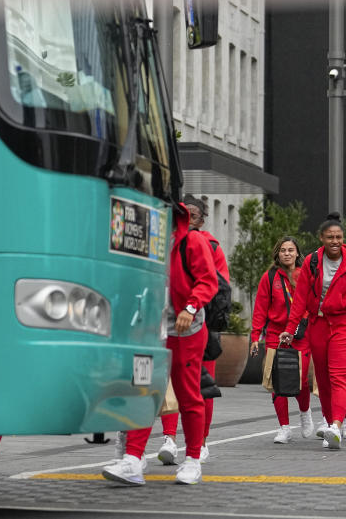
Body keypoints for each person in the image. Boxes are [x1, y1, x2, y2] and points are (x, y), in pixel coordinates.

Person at [102, 202, 217, 486]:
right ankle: (132, 459)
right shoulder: (139, 245)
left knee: (188, 394)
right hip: (148, 332)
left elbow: (208, 280)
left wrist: (190, 308)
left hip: (185, 330)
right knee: (142, 392)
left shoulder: (191, 241)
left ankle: (192, 459)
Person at [279, 212, 346, 450]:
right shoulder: (312, 262)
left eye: (339, 237)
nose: (335, 241)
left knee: (339, 377)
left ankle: (336, 427)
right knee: (322, 379)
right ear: (321, 238)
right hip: (317, 326)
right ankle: (331, 422)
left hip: (343, 326)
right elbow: (300, 299)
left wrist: (340, 304)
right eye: (330, 237)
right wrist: (289, 329)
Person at [158, 195, 229, 465]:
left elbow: (217, 285)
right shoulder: (163, 242)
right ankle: (168, 437)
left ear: (200, 219)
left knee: (200, 387)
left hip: (199, 324)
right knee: (166, 387)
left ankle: (200, 442)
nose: (189, 219)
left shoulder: (206, 244)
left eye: (195, 215)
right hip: (168, 324)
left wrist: (191, 308)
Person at [250, 236, 315, 443]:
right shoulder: (269, 277)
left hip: (300, 334)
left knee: (300, 378)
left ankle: (305, 413)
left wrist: (300, 324)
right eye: (283, 250)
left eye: (291, 250)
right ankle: (284, 427)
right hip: (275, 336)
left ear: (297, 253)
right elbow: (260, 309)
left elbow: (312, 303)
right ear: (277, 254)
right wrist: (254, 336)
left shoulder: (305, 274)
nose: (287, 253)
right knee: (276, 381)